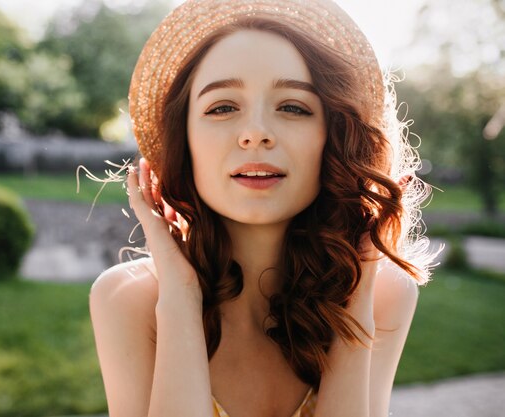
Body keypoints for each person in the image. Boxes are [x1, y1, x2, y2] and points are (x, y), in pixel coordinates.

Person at [89, 1, 436, 416]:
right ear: (185, 140)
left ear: (334, 137)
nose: (256, 134)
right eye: (222, 107)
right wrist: (179, 299)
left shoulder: (384, 295)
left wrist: (356, 304)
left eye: (293, 107)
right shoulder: (129, 300)